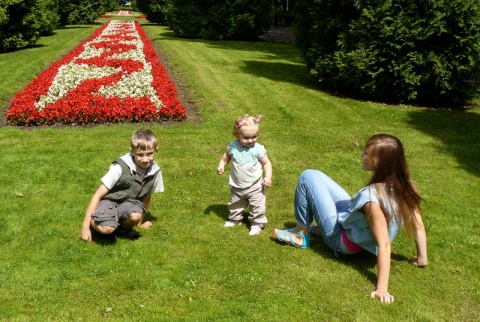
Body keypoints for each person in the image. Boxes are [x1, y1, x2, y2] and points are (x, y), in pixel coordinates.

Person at [272, 134, 428, 303]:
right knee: (315, 175)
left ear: (379, 163)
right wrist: (421, 258)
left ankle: (300, 235)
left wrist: (382, 288)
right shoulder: (405, 187)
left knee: (307, 177)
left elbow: (384, 244)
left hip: (342, 241)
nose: (362, 154)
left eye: (367, 153)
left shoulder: (371, 199)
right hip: (360, 233)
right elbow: (418, 225)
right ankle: (317, 228)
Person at [81, 129, 164, 242]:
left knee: (136, 215)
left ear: (156, 151)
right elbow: (98, 195)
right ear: (132, 152)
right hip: (108, 201)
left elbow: (146, 198)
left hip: (127, 204)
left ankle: (120, 228)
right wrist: (85, 227)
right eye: (140, 155)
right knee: (108, 229)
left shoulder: (155, 171)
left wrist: (139, 224)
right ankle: (94, 222)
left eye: (149, 154)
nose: (145, 159)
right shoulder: (120, 167)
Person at [217, 114, 273, 236]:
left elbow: (266, 163)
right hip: (237, 184)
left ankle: (257, 224)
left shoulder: (257, 149)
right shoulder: (233, 147)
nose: (251, 140)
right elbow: (225, 157)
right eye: (246, 137)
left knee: (257, 206)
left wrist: (268, 176)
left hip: (255, 185)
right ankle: (235, 220)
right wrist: (221, 165)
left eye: (254, 136)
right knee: (235, 204)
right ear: (237, 134)